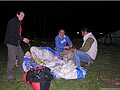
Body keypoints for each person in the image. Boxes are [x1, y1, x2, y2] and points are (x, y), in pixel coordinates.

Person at [4, 10, 30, 80]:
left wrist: (22, 39)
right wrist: (22, 39)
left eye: (23, 16)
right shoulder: (12, 22)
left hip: (16, 42)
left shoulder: (18, 22)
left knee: (21, 55)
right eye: (21, 15)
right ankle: (9, 75)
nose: (22, 17)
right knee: (12, 59)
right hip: (11, 42)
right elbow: (13, 34)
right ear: (17, 15)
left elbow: (17, 33)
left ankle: (20, 70)